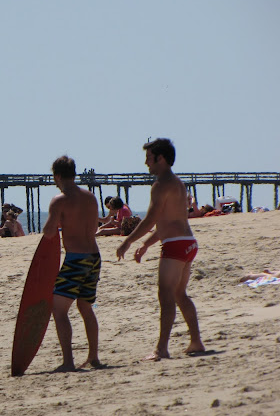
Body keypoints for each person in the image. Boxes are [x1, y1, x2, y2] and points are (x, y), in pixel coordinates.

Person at [116, 138, 205, 361]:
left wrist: (128, 241)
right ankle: (196, 341)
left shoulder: (160, 185)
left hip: (175, 246)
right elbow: (169, 221)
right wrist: (146, 244)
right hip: (188, 242)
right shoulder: (178, 183)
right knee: (179, 294)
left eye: (149, 158)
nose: (146, 163)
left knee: (166, 296)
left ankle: (161, 349)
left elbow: (150, 219)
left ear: (161, 158)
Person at [43, 155, 102, 372]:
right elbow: (94, 229)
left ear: (57, 176)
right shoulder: (90, 197)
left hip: (76, 259)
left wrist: (59, 221)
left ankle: (68, 362)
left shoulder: (59, 200)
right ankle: (94, 357)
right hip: (94, 257)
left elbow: (49, 232)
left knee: (59, 311)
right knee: (86, 307)